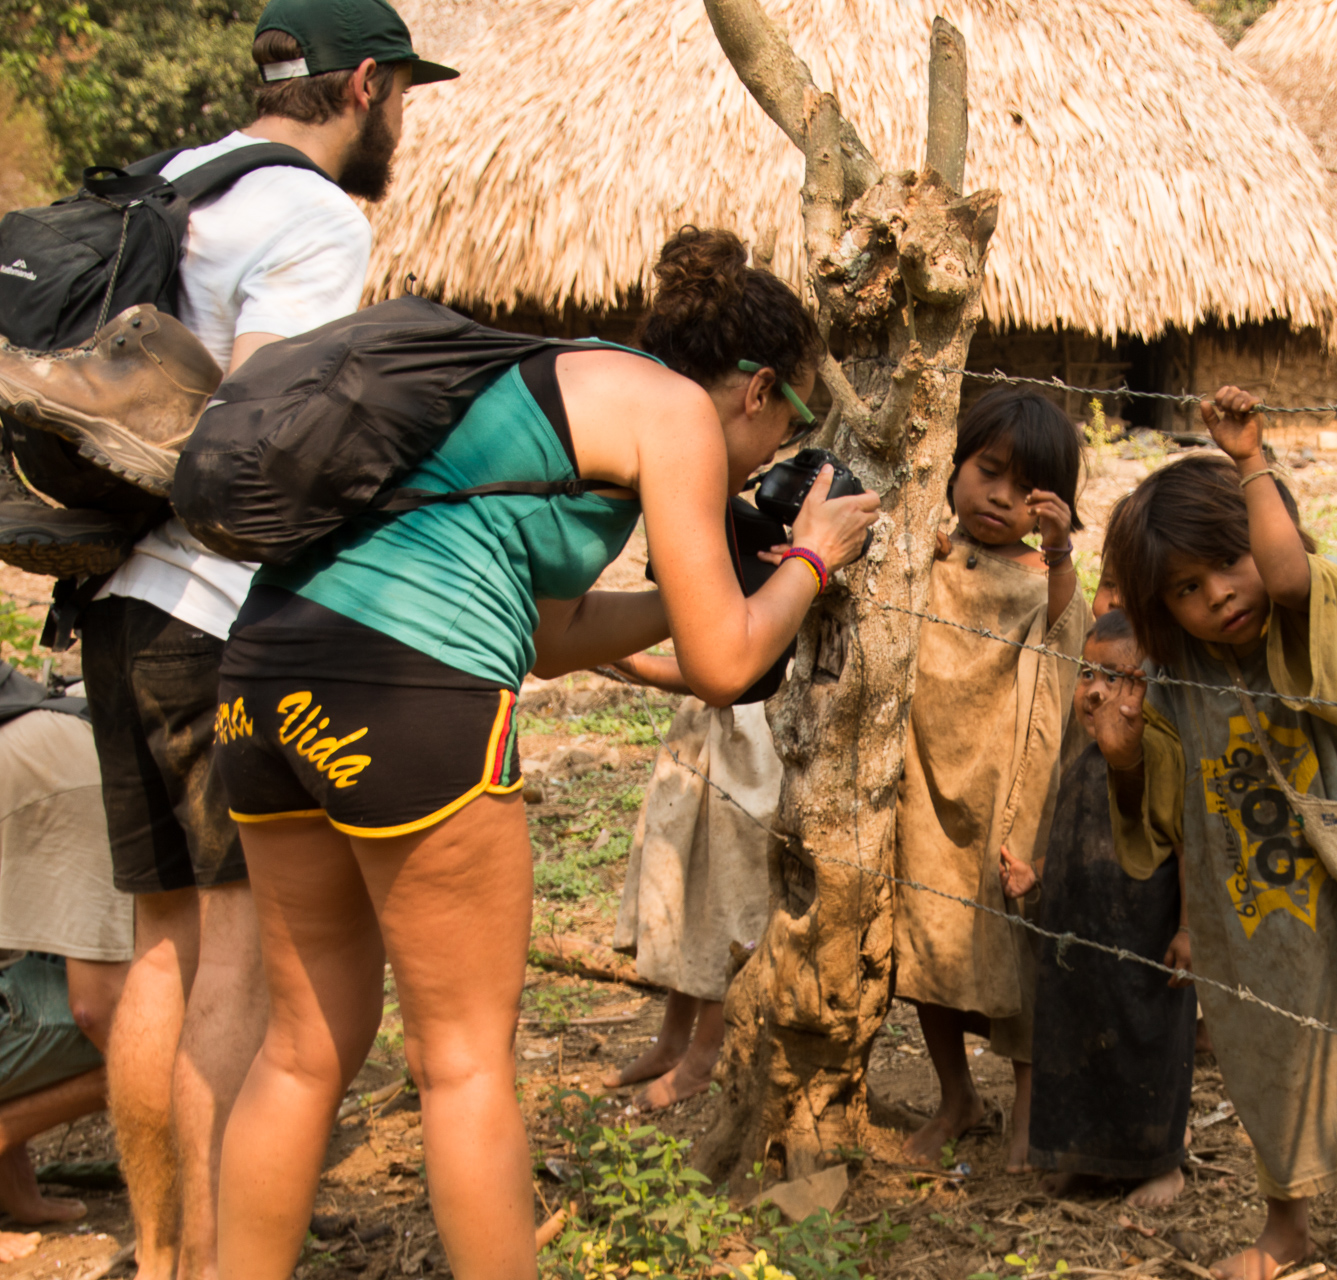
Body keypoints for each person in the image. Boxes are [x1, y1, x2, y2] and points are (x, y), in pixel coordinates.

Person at [208, 227, 877, 1279]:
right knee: (465, 1061)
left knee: (303, 1047)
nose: (775, 456)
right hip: (405, 694)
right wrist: (809, 560)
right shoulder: (675, 416)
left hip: (264, 678)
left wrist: (716, 589)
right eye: (792, 426)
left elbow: (554, 633)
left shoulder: (553, 378)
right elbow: (722, 661)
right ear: (756, 390)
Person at [59, 4, 455, 1276]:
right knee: (235, 948)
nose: (401, 119)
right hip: (214, 608)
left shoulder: (173, 180)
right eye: (400, 92)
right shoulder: (320, 218)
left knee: (162, 938)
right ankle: (218, 1262)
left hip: (113, 592)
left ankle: (168, 1246)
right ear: (360, 84)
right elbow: (261, 420)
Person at [1102, 388, 1337, 1280]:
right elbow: (1163, 819)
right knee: (1265, 1059)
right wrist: (1126, 759)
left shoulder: (1321, 608)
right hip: (1254, 916)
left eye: (1229, 560)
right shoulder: (1180, 685)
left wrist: (1252, 460)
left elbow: (1286, 577)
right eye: (1185, 588)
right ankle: (1285, 1226)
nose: (1220, 594)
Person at [893, 388, 1090, 1172]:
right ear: (957, 463)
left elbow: (1066, 637)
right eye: (987, 471)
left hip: (1008, 790)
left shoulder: (1045, 582)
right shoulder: (926, 556)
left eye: (1026, 489)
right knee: (926, 943)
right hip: (928, 789)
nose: (1000, 497)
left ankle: (1029, 1111)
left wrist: (1063, 555)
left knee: (1019, 952)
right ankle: (956, 1096)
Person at [1000, 609, 1193, 1209]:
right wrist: (1038, 877)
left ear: (1149, 688)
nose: (1096, 690)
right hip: (1077, 945)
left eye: (1119, 677)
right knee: (1076, 1044)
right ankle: (1081, 1159)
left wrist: (1188, 928)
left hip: (1143, 946)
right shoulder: (1081, 763)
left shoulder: (1161, 757)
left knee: (1145, 1048)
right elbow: (1076, 843)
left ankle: (1160, 1166)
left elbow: (1188, 847)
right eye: (1088, 674)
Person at [607, 498, 793, 1107]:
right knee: (693, 894)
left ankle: (705, 1054)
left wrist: (635, 663)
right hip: (708, 740)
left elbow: (725, 669)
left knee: (729, 908)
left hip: (753, 752)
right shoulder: (722, 547)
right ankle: (672, 1040)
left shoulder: (760, 570)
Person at [0, 665, 133, 1261]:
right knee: (169, 1031)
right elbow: (98, 1011)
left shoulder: (40, 724)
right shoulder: (81, 771)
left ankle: (13, 1188)